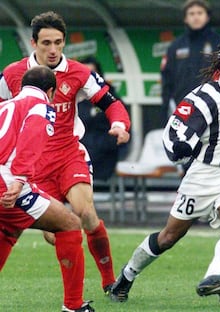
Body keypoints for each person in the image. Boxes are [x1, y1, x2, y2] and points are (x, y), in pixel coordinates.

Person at [109, 38, 220, 303]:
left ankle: (213, 276)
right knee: (169, 236)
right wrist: (180, 147)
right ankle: (126, 276)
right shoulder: (206, 97)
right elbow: (178, 129)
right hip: (204, 174)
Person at [0, 11, 131, 294]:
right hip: (34, 164)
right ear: (33, 43)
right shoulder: (12, 74)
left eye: (58, 43)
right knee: (53, 232)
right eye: (46, 43)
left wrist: (120, 124)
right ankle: (73, 292)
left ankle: (110, 282)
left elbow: (110, 102)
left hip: (69, 154)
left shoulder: (79, 72)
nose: (53, 50)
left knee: (85, 212)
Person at [0, 66, 95, 312]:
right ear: (51, 91)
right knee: (70, 224)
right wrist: (19, 179)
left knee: (8, 229)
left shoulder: (5, 106)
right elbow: (31, 140)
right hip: (9, 182)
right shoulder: (41, 105)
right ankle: (73, 306)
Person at [160, 0, 220, 127]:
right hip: (183, 107)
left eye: (200, 13)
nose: (196, 17)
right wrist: (165, 107)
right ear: (185, 19)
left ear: (207, 16)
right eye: (191, 13)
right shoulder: (175, 46)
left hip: (213, 106)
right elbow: (167, 80)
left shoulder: (219, 43)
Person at [78, 56, 130, 181]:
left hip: (103, 151)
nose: (88, 79)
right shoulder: (73, 95)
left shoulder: (108, 95)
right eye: (84, 74)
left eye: (92, 74)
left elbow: (118, 118)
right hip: (79, 148)